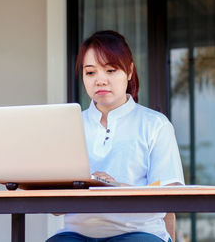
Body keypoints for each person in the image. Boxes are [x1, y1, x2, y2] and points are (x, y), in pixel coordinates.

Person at [46, 30, 185, 242]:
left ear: (129, 72)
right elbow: (55, 209)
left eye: (110, 70)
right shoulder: (70, 126)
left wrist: (115, 187)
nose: (100, 80)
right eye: (90, 73)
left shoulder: (155, 124)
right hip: (76, 235)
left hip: (138, 233)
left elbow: (169, 198)